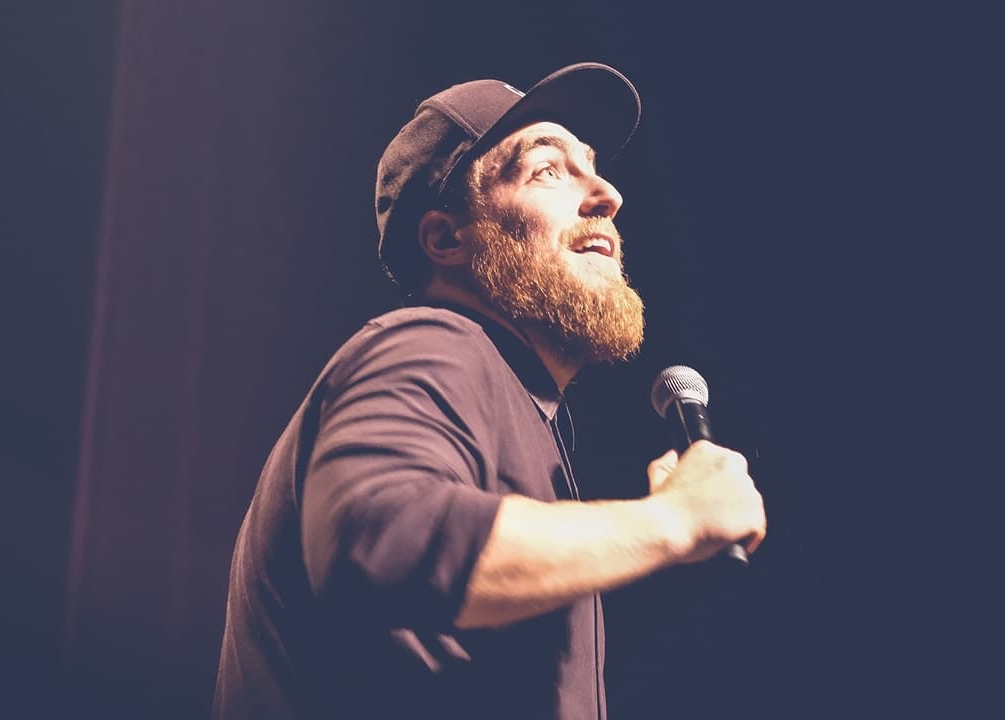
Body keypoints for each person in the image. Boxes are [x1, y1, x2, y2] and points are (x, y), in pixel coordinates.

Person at [212, 61, 767, 720]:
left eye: (592, 166)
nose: (607, 194)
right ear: (447, 238)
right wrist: (672, 520)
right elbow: (378, 537)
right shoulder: (432, 343)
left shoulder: (517, 406)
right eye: (548, 170)